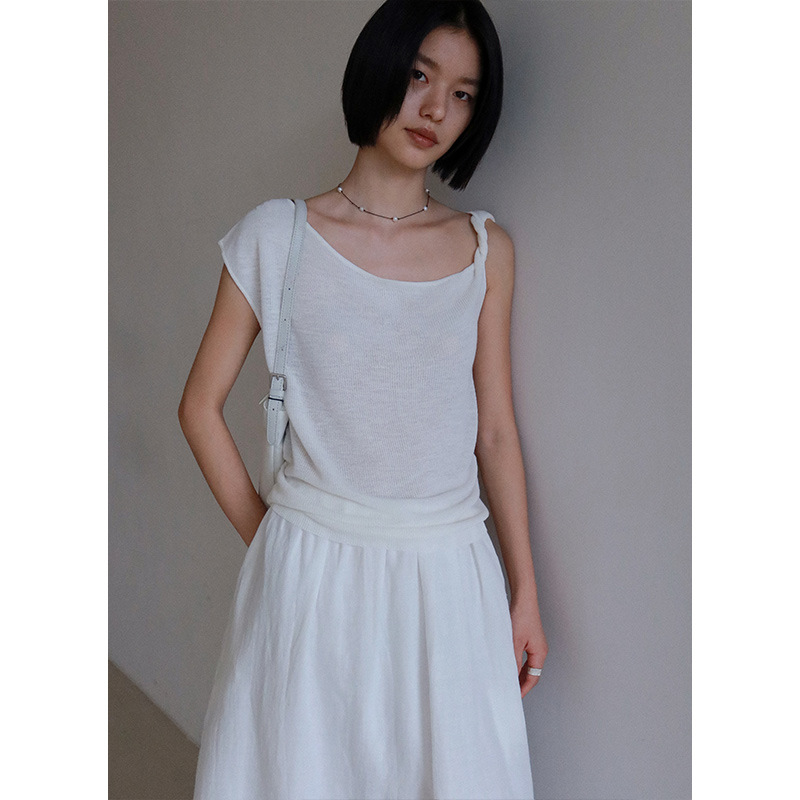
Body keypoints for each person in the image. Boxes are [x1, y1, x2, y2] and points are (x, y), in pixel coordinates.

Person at [178, 1, 547, 798]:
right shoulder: (277, 236)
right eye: (420, 76)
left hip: (448, 575)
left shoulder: (485, 249)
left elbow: (494, 432)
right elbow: (199, 406)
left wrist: (525, 592)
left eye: (463, 94)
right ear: (379, 66)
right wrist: (274, 542)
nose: (435, 109)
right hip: (311, 570)